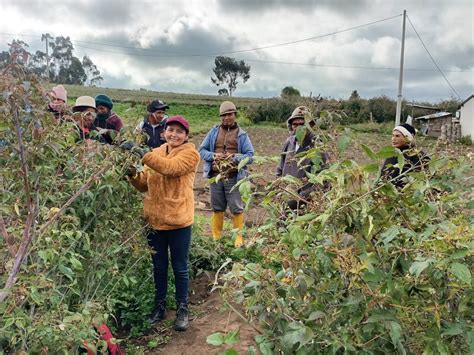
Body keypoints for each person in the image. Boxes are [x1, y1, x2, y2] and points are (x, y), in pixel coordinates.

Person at [127, 116, 200, 331]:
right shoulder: (157, 152)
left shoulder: (190, 154)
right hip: (154, 220)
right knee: (158, 267)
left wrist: (143, 154)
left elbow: (170, 168)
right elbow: (144, 185)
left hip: (178, 221)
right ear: (164, 133)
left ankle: (182, 309)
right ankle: (159, 307)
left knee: (180, 267)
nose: (174, 135)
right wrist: (133, 175)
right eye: (170, 130)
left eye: (179, 131)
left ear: (186, 136)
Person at [199, 101, 254, 248]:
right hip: (216, 176)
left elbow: (250, 156)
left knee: (236, 207)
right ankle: (217, 238)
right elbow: (202, 150)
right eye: (223, 115)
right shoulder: (213, 132)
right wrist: (214, 156)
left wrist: (235, 157)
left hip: (234, 177)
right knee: (217, 207)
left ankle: (238, 239)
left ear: (235, 115)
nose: (226, 118)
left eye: (229, 114)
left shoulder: (242, 135)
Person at [276, 106, 329, 211]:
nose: (298, 128)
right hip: (285, 199)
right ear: (291, 126)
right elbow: (280, 168)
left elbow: (323, 181)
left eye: (302, 124)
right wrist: (278, 188)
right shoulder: (289, 142)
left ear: (310, 125)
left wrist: (300, 197)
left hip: (305, 204)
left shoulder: (317, 146)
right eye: (295, 124)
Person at [380, 123, 429, 189]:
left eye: (397, 136)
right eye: (393, 135)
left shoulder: (418, 156)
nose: (393, 139)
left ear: (407, 138)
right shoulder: (392, 154)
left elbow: (421, 179)